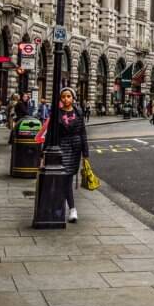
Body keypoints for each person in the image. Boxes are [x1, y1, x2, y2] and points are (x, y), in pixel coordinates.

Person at [53, 88, 89, 222]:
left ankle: (67, 209)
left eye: (68, 96)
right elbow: (52, 134)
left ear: (73, 98)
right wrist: (42, 154)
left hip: (75, 149)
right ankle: (71, 209)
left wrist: (85, 154)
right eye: (63, 96)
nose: (66, 99)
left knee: (67, 179)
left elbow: (83, 133)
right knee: (64, 179)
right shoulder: (57, 113)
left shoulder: (78, 112)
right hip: (62, 147)